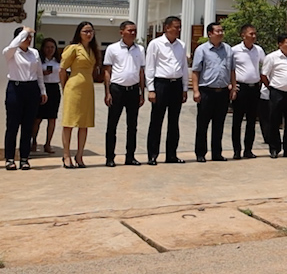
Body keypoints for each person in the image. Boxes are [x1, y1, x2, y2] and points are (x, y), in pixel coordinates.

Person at [145, 15, 189, 165]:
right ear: (167, 27)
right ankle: (152, 155)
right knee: (157, 120)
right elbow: (150, 67)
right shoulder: (155, 44)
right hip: (161, 84)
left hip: (176, 84)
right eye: (176, 27)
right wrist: (151, 89)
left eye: (179, 27)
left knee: (174, 121)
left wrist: (184, 88)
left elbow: (184, 67)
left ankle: (171, 154)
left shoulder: (181, 45)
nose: (178, 30)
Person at [103, 21, 146, 167]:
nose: (133, 33)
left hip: (133, 90)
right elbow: (107, 71)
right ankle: (110, 157)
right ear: (121, 32)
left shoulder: (140, 49)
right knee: (112, 125)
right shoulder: (112, 48)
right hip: (117, 89)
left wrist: (142, 92)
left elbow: (141, 71)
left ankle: (130, 156)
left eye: (135, 30)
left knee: (132, 125)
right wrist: (107, 92)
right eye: (130, 30)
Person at [2, 26, 46, 170]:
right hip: (15, 88)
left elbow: (39, 73)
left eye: (29, 37)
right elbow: (12, 46)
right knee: (12, 125)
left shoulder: (34, 53)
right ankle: (9, 158)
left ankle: (24, 158)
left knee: (28, 126)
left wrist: (42, 90)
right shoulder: (11, 52)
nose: (28, 39)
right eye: (25, 37)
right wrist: (23, 32)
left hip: (31, 89)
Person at [59, 22, 100, 169]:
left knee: (84, 123)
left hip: (88, 87)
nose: (89, 34)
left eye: (91, 31)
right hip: (74, 86)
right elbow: (62, 69)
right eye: (85, 31)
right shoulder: (73, 49)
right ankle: (66, 155)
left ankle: (80, 155)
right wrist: (65, 87)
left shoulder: (93, 50)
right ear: (79, 33)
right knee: (69, 122)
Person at [192, 22, 234, 162]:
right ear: (210, 33)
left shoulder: (228, 49)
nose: (221, 33)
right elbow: (196, 71)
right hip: (206, 92)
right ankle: (200, 153)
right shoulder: (202, 50)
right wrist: (196, 91)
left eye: (222, 30)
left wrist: (233, 87)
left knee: (219, 124)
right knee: (203, 124)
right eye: (218, 31)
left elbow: (232, 70)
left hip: (222, 92)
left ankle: (217, 153)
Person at [230, 24, 267, 159]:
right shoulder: (234, 51)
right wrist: (231, 85)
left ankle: (248, 150)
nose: (254, 36)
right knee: (237, 121)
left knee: (252, 121)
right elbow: (230, 69)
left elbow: (266, 65)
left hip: (254, 88)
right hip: (241, 88)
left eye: (255, 34)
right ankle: (236, 150)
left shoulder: (258, 50)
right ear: (243, 35)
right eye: (251, 34)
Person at [33, 39, 60, 155]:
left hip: (54, 89)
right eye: (47, 47)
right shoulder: (38, 60)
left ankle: (48, 143)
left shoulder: (59, 61)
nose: (50, 50)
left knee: (52, 118)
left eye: (52, 47)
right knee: (37, 118)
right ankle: (33, 141)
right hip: (41, 88)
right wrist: (42, 73)